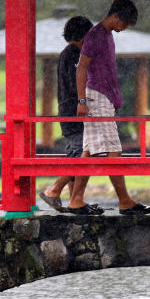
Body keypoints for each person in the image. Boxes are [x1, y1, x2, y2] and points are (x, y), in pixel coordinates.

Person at [67, 0, 150, 216]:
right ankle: (125, 201)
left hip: (103, 97)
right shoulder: (95, 36)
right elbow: (81, 69)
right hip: (96, 97)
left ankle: (76, 199)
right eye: (124, 24)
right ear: (115, 16)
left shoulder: (106, 36)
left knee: (88, 151)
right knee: (113, 151)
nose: (124, 28)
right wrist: (81, 100)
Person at [39, 15, 99, 213]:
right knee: (83, 155)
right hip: (74, 111)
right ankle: (54, 189)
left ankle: (76, 201)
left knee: (77, 152)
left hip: (71, 110)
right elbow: (77, 84)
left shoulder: (70, 53)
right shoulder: (73, 54)